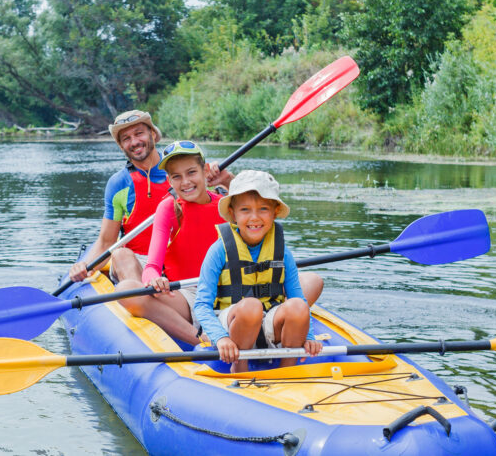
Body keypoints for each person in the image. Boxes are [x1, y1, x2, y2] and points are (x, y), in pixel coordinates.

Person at [117, 141, 323, 346]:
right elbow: (152, 266)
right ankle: (200, 338)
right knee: (127, 290)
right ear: (169, 180)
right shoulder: (169, 208)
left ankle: (277, 322)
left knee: (313, 281)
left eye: (191, 172)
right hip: (190, 294)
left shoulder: (228, 207)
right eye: (177, 176)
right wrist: (153, 279)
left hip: (236, 288)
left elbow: (255, 223)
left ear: (205, 171)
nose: (185, 182)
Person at [68, 111, 232, 287]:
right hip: (139, 260)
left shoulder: (183, 170)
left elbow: (233, 207)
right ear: (121, 146)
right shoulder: (119, 184)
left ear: (153, 134)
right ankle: (142, 297)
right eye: (126, 138)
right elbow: (107, 241)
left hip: (182, 259)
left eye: (139, 133)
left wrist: (227, 180)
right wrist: (85, 266)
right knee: (121, 255)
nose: (134, 142)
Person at [194, 170, 322, 373]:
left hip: (269, 321)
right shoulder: (218, 250)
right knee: (251, 306)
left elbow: (298, 298)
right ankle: (240, 368)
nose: (254, 217)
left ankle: (286, 371)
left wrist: (309, 337)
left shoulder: (282, 252)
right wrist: (220, 337)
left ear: (275, 212)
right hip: (232, 324)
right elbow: (202, 305)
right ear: (233, 214)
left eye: (263, 209)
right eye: (245, 210)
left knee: (298, 306)